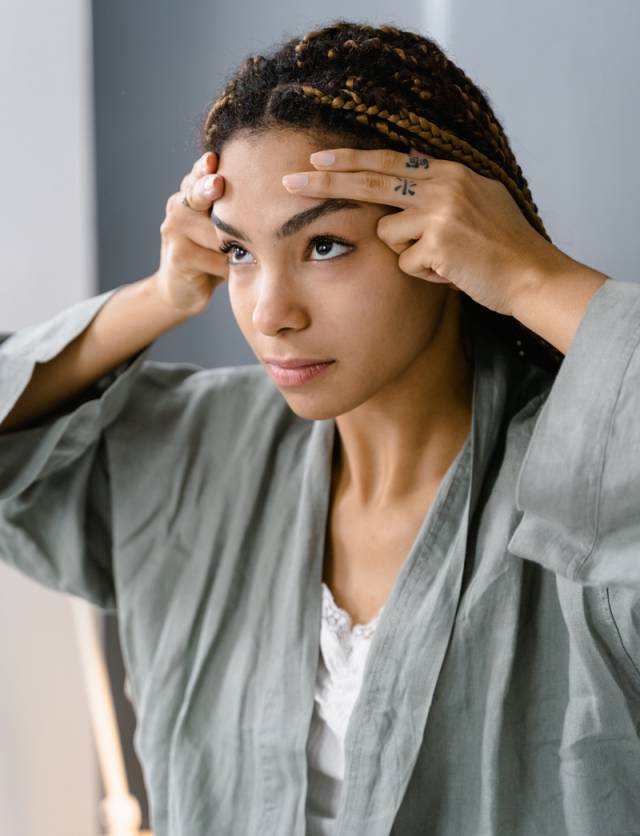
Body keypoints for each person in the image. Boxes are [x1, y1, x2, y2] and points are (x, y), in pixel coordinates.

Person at [1, 18, 639, 836]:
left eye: (325, 245)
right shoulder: (196, 456)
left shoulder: (588, 473)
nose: (271, 314)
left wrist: (528, 273)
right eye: (238, 256)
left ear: (438, 240)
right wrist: (160, 296)